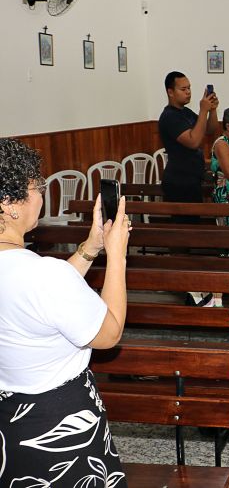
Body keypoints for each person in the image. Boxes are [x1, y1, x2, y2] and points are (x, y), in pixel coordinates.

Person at [0, 139, 131, 486]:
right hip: (59, 424)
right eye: (36, 186)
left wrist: (91, 248)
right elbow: (110, 332)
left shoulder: (34, 276)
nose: (41, 194)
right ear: (10, 205)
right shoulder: (42, 274)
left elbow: (43, 301)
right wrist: (117, 254)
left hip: (9, 423)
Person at [158, 71, 220, 223]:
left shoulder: (185, 112)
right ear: (170, 92)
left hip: (192, 178)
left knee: (192, 223)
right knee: (181, 230)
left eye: (189, 88)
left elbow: (210, 130)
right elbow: (194, 141)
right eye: (183, 89)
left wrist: (211, 110)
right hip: (179, 180)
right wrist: (203, 110)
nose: (188, 92)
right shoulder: (170, 116)